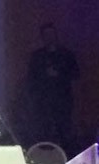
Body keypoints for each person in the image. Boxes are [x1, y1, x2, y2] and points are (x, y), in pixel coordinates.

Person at [26, 23, 80, 151]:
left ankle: (67, 156)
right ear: (42, 37)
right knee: (44, 132)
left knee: (64, 131)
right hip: (43, 101)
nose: (49, 37)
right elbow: (31, 77)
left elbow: (76, 74)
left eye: (52, 34)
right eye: (46, 35)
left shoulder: (66, 55)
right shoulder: (37, 56)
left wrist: (59, 74)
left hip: (63, 100)